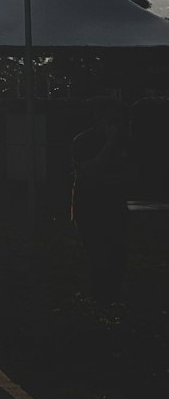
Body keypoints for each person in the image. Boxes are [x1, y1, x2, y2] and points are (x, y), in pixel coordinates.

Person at [71, 98, 129, 300]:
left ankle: (114, 297)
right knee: (98, 254)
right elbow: (91, 171)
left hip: (115, 206)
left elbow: (131, 174)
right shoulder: (83, 141)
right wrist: (109, 144)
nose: (117, 124)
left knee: (118, 254)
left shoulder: (124, 141)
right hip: (90, 207)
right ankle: (100, 298)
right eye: (113, 119)